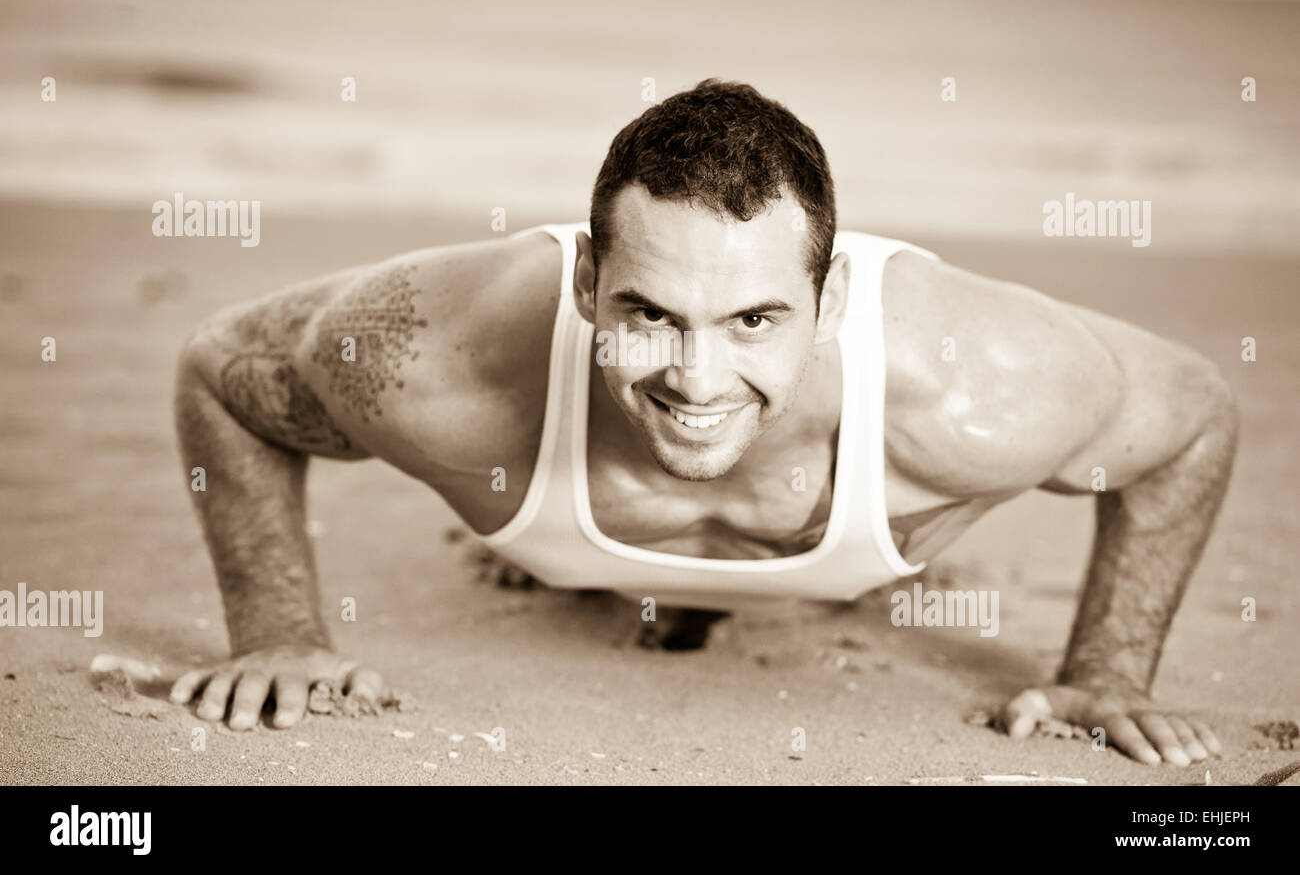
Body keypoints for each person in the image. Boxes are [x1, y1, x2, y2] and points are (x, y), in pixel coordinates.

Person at [169, 79, 1235, 766]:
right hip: (564, 517)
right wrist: (281, 635)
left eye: (754, 318)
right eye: (648, 311)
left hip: (870, 548)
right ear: (587, 282)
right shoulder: (437, 363)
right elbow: (224, 370)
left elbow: (1192, 419)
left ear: (834, 300)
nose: (694, 373)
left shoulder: (982, 386)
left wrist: (1106, 669)